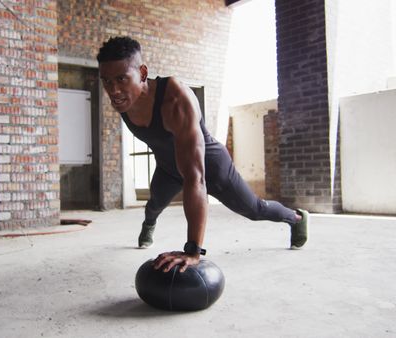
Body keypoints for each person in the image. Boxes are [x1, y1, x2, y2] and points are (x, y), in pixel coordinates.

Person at [96, 36, 309, 273]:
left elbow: (195, 177)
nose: (113, 90)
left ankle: (297, 218)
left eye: (121, 79)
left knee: (255, 209)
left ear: (143, 73)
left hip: (209, 166)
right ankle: (149, 225)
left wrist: (193, 250)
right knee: (153, 205)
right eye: (106, 81)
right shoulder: (125, 100)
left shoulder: (175, 99)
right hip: (168, 167)